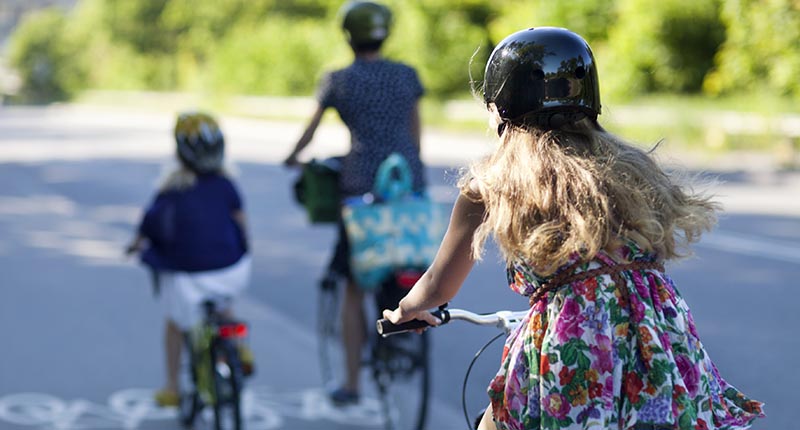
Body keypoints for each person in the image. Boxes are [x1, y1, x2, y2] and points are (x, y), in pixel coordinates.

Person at [382, 27, 765, 429]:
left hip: (575, 338)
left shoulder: (493, 184)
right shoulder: (630, 167)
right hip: (658, 335)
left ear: (501, 107)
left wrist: (403, 311)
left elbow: (440, 286)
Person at [283, 0, 426, 405]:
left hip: (361, 190)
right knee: (404, 262)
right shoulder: (406, 76)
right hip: (405, 184)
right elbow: (415, 134)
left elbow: (309, 132)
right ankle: (401, 338)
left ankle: (351, 383)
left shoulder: (339, 81)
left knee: (352, 287)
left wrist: (292, 157)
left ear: (349, 36)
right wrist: (413, 174)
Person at [127, 111, 252, 407]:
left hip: (187, 278)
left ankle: (172, 387)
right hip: (232, 271)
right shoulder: (227, 185)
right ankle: (238, 346)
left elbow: (151, 226)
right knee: (223, 303)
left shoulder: (171, 188)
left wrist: (136, 245)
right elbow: (242, 225)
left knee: (175, 322)